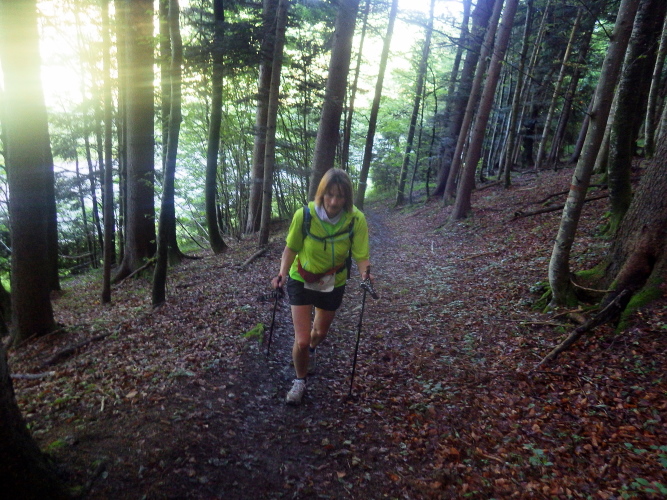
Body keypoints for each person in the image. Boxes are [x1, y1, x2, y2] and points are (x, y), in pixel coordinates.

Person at [272, 168, 373, 405]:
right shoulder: (304, 215)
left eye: (340, 196)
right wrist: (282, 274)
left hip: (333, 281)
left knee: (319, 334)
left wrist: (366, 275)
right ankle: (300, 381)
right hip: (302, 278)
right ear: (321, 193)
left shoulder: (356, 219)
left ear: (347, 197)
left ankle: (311, 351)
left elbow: (361, 255)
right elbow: (291, 248)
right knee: (302, 340)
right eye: (329, 195)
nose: (334, 202)